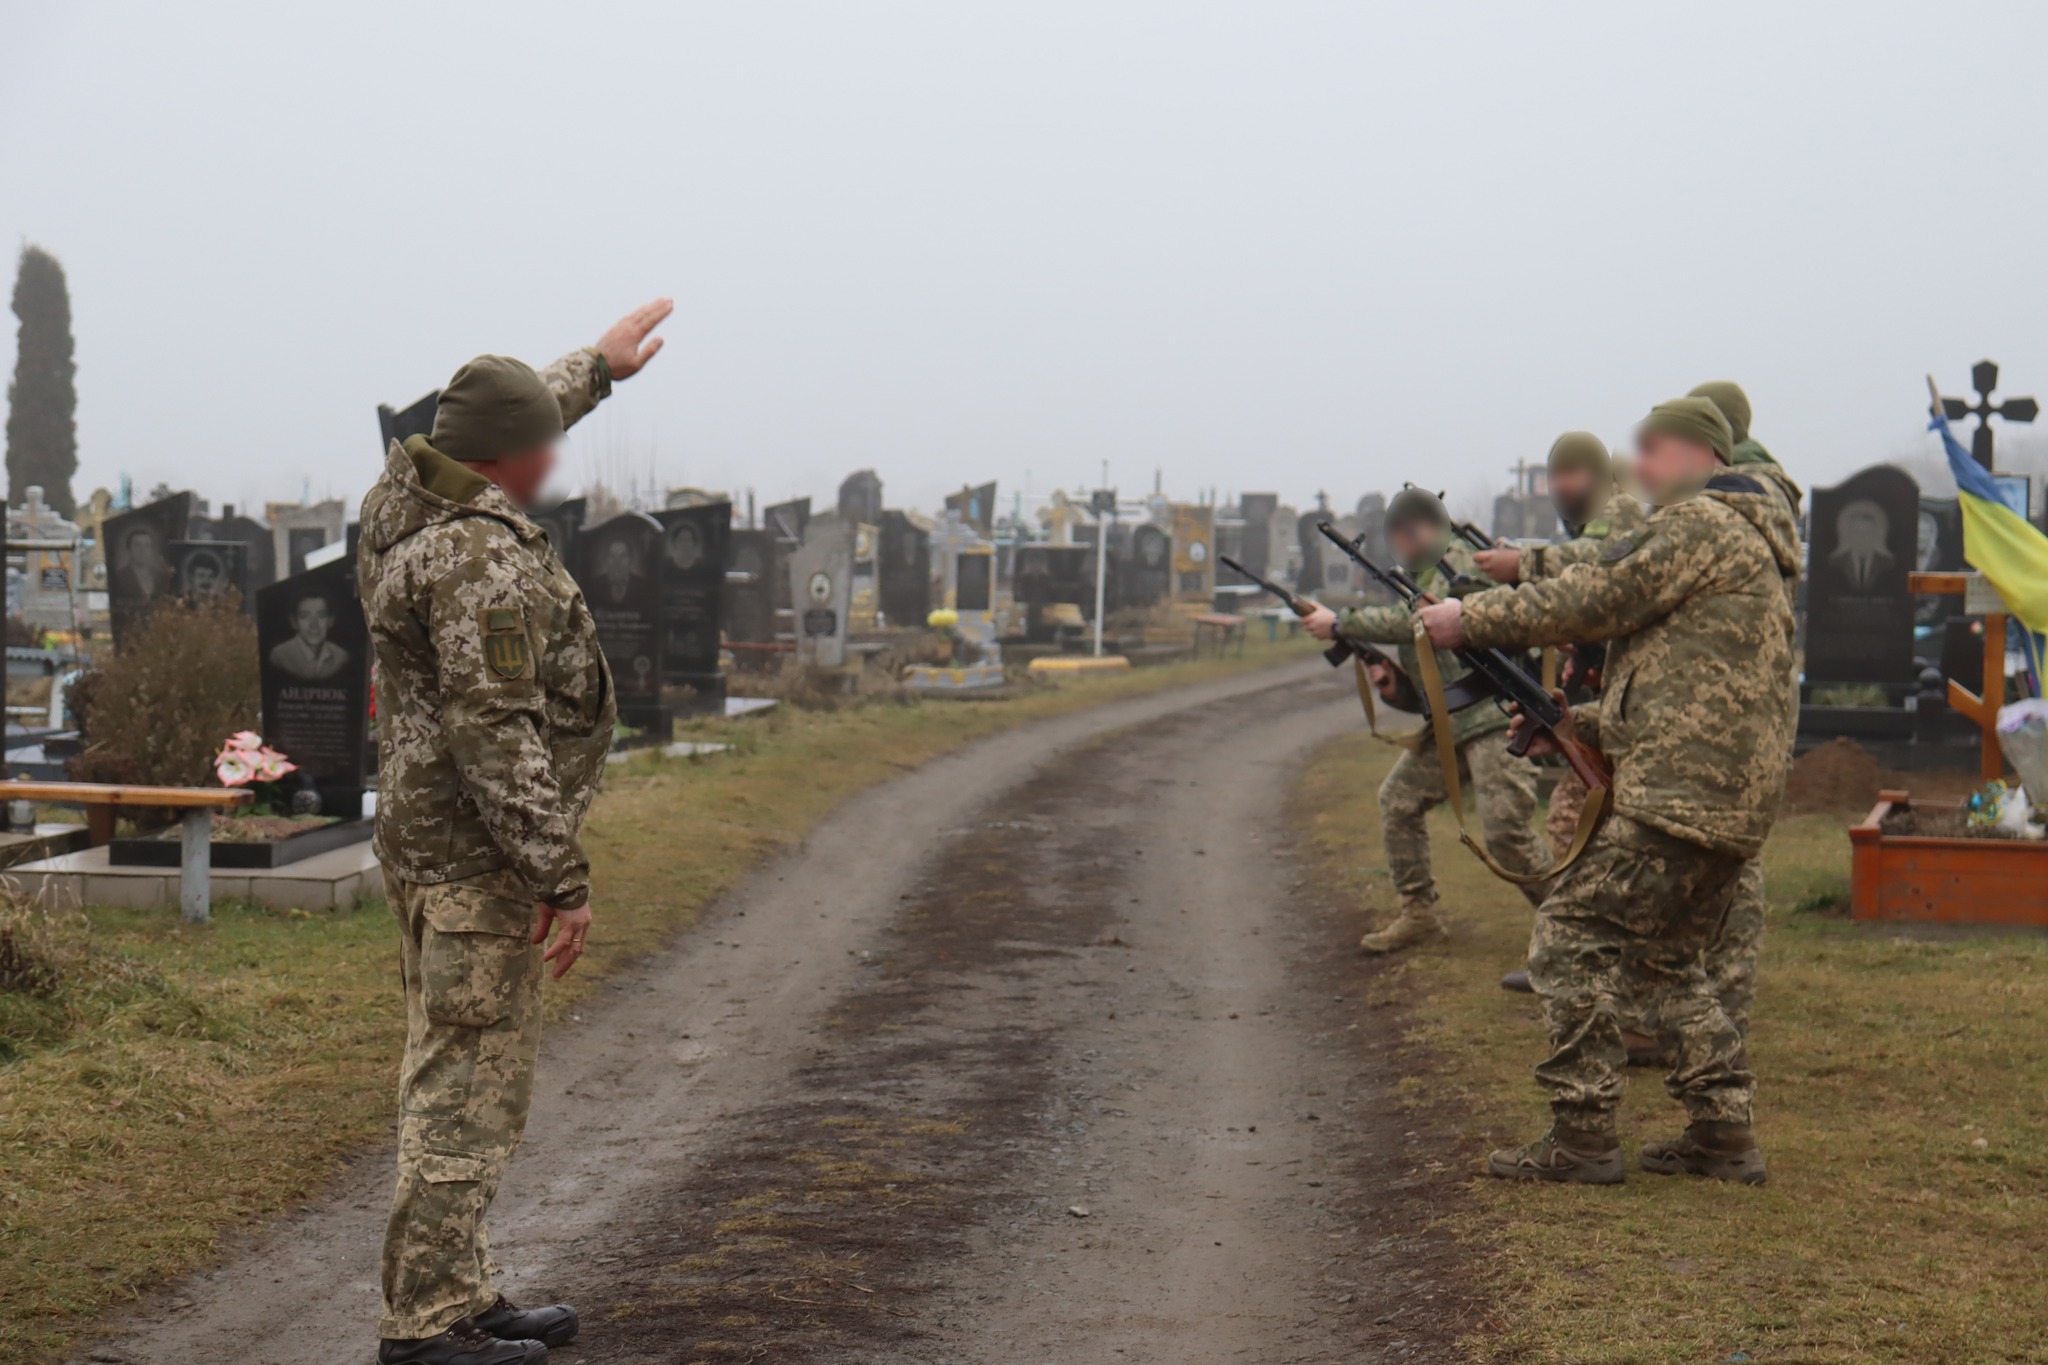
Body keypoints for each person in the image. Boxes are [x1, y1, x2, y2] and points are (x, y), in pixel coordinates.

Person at [358, 298, 672, 1364]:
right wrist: (559, 876)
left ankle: (459, 1290)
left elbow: (494, 421)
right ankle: (425, 1324)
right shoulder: (476, 561)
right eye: (544, 443)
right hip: (476, 859)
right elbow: (494, 731)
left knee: (459, 1069)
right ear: (504, 460)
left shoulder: (404, 497)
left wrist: (597, 370)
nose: (556, 457)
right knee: (466, 1087)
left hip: (427, 846)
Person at [1417, 395, 1799, 1185]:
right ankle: (1722, 1133)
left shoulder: (1701, 522)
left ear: (1700, 452)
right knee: (1667, 963)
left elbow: (1594, 595)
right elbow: (1693, 687)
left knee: (1566, 934)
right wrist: (1576, 723)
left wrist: (1471, 618)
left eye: (1653, 449)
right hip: (1727, 798)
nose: (1641, 466)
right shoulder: (1748, 540)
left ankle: (1583, 1136)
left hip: (1680, 796)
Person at [1302, 487, 1551, 954]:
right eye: (1395, 533)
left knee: (1506, 834)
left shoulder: (1461, 563)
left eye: (1409, 529)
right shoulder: (1420, 577)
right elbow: (1433, 680)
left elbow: (1419, 622)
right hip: (1450, 725)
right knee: (1398, 800)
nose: (1402, 540)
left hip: (1494, 718)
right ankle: (1419, 914)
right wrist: (1393, 685)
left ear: (1433, 526)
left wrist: (1340, 623)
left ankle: (1576, 924)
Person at [1472, 431, 1646, 995]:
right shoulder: (1589, 520)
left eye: (1573, 473)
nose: (1562, 485)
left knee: (1574, 824)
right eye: (1555, 475)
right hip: (1614, 703)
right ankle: (1583, 959)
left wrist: (1525, 562)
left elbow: (1602, 566)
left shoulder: (1619, 510)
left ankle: (1575, 962)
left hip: (1635, 713)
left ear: (1597, 474)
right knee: (1587, 833)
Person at [268, 591, 350, 682]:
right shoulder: (279, 657)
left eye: (321, 615)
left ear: (331, 621)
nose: (314, 624)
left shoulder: (341, 658)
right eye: (305, 616)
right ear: (294, 622)